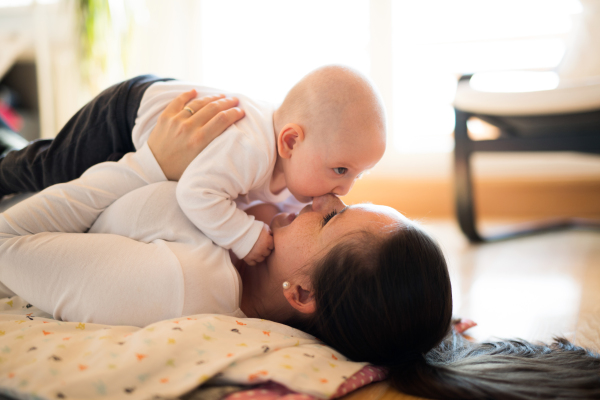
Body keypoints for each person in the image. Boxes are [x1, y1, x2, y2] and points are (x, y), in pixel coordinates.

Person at [0, 92, 598, 400]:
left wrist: (150, 163)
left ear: (302, 292)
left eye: (331, 218)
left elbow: (9, 241)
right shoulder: (269, 231)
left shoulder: (177, 283)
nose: (315, 200)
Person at [0, 66, 386, 268]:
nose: (346, 189)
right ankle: (5, 166)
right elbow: (195, 193)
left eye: (358, 174)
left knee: (76, 173)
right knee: (53, 170)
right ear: (290, 141)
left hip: (162, 106)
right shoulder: (249, 150)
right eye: (341, 171)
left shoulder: (296, 165)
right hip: (125, 113)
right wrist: (243, 235)